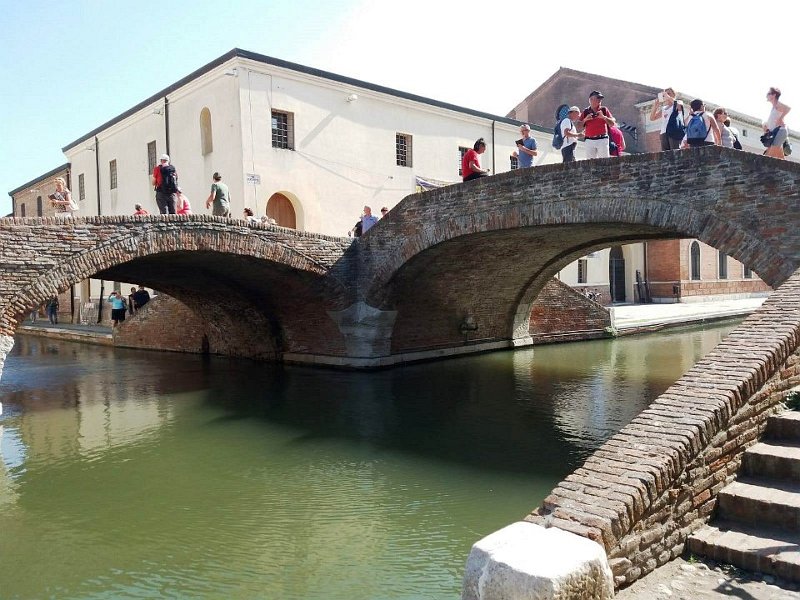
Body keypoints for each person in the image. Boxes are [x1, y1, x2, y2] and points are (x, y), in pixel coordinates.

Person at [580, 91, 616, 159]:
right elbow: (578, 126)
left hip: (602, 139)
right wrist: (585, 120)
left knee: (604, 162)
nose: (600, 100)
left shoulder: (604, 109)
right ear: (590, 100)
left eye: (600, 98)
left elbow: (612, 123)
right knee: (590, 163)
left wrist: (604, 117)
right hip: (589, 140)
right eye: (598, 98)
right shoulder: (585, 112)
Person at [764, 87, 791, 159]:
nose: (767, 95)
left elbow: (788, 108)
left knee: (769, 153)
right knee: (779, 155)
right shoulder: (774, 107)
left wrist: (781, 118)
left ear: (774, 95)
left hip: (780, 132)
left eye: (768, 94)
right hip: (775, 133)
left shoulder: (777, 104)